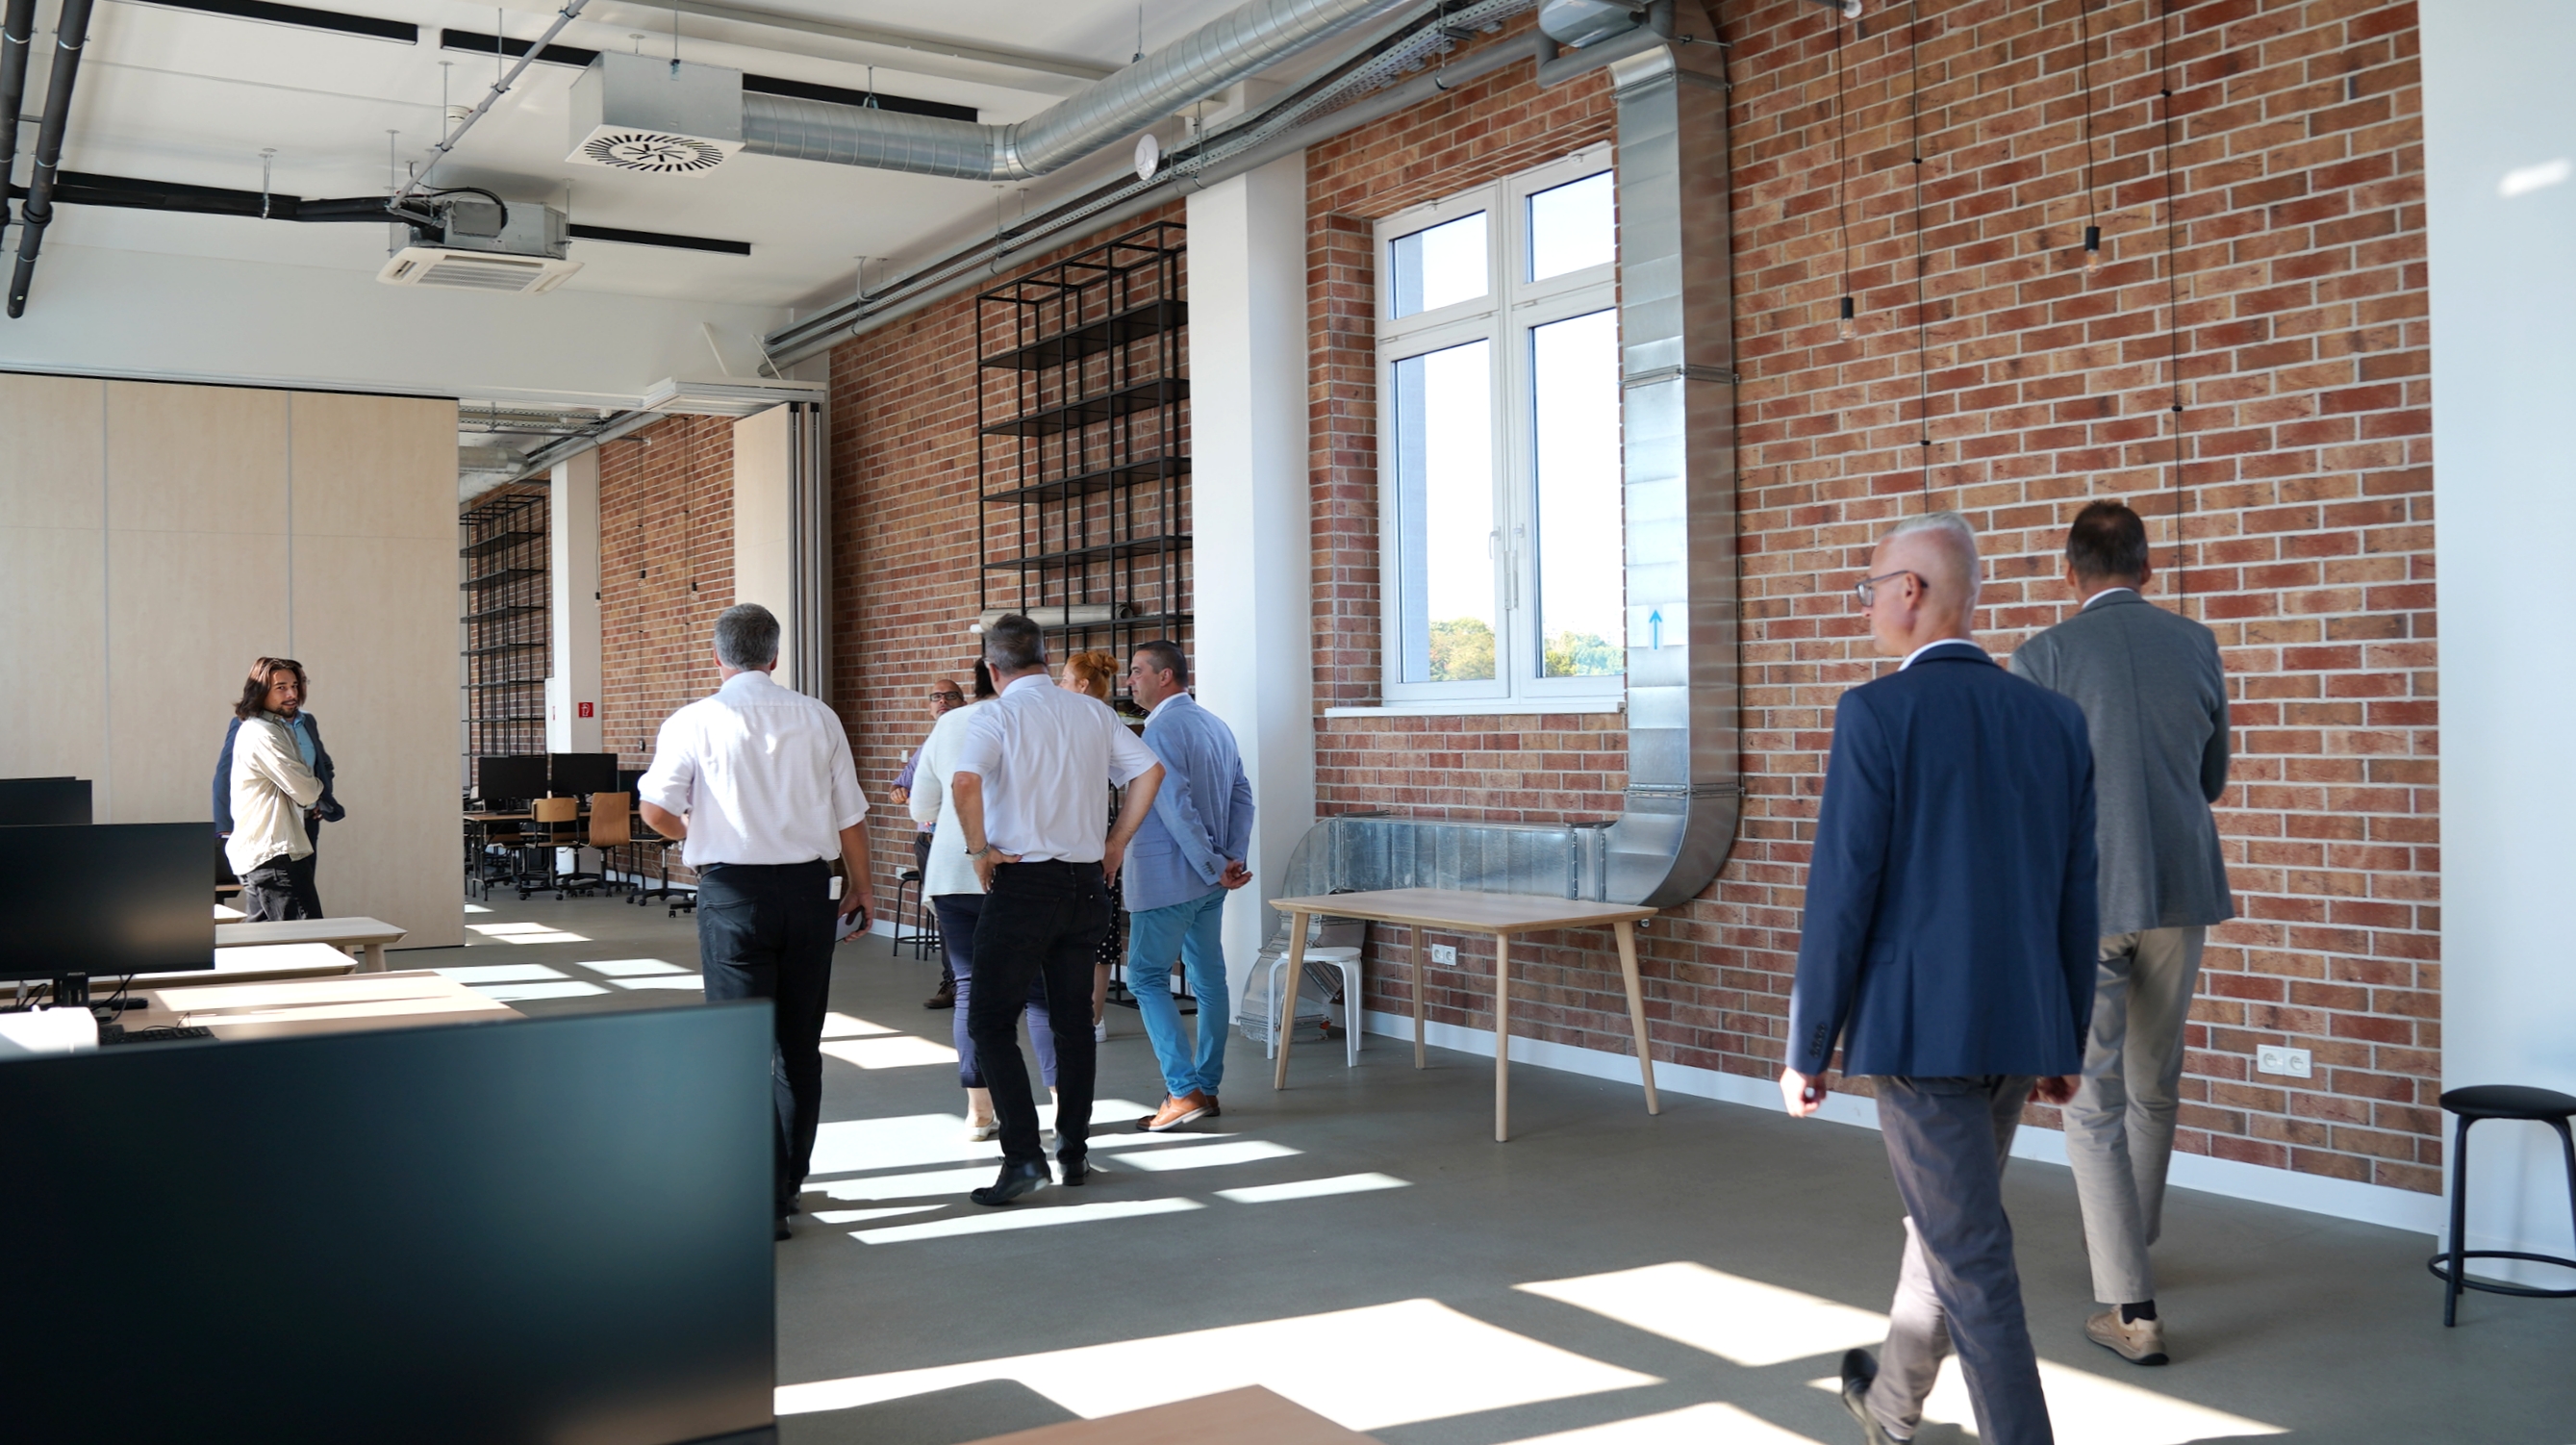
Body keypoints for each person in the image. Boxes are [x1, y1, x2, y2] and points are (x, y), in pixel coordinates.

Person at [1780, 512, 2097, 1445]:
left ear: (1910, 592)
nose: (1866, 604)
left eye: (1872, 586)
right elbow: (2075, 893)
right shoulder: (2053, 719)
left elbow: (1842, 892)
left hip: (1921, 1039)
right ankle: (1886, 1409)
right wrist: (2063, 1036)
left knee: (1973, 1260)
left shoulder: (1875, 713)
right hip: (2018, 1027)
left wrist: (1808, 1046)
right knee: (1946, 1230)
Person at [2008, 500, 2233, 1366]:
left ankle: (2131, 1305)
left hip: (2089, 898)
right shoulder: (2197, 644)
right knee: (2154, 1084)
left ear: (2069, 573)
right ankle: (2130, 1249)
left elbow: (2030, 797)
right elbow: (2211, 779)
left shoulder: (2043, 657)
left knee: (2091, 1096)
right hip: (2181, 888)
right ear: (2148, 567)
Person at [638, 603, 874, 1242]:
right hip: (808, 892)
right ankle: (789, 1181)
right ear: (774, 656)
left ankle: (760, 1197)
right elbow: (850, 815)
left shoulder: (694, 720)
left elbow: (654, 809)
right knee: (799, 1047)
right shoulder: (818, 717)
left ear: (718, 656)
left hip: (733, 894)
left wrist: (695, 831)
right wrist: (863, 886)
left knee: (740, 1049)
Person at [948, 616, 1163, 1206]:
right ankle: (1073, 1151)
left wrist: (978, 851)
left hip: (1024, 885)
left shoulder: (995, 715)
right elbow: (1150, 771)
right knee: (1073, 1023)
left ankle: (1023, 1157)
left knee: (990, 1021)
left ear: (992, 669)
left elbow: (964, 782)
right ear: (1046, 659)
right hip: (1086, 885)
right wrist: (1115, 844)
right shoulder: (1092, 712)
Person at [910, 662, 1060, 1141]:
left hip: (954, 871)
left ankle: (978, 1112)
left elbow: (920, 807)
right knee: (1040, 991)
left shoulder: (949, 724)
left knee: (970, 988)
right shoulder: (1040, 718)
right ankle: (1061, 1106)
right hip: (1022, 867)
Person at [1121, 640, 1255, 1132]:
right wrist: (1230, 859)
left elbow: (1174, 806)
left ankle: (1183, 1090)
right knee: (1209, 981)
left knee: (1145, 978)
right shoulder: (1214, 724)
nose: (1130, 680)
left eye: (1137, 671)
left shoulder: (1160, 729)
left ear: (1165, 676)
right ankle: (1206, 1088)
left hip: (1170, 880)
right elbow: (1242, 795)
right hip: (1211, 880)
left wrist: (1211, 864)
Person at [215, 657, 342, 920]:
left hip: (271, 851)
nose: (292, 694)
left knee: (265, 940)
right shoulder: (263, 733)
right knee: (306, 937)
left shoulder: (277, 727)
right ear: (260, 690)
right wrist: (313, 786)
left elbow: (319, 768)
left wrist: (313, 787)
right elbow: (305, 791)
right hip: (275, 853)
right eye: (281, 687)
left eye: (295, 685)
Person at [1058, 649, 1132, 1043]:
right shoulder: (1107, 720)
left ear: (1082, 684)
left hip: (1073, 827)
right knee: (1099, 925)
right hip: (1097, 824)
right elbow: (1134, 773)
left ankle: (1084, 1017)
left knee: (1082, 926)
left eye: (1064, 679)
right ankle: (1093, 1017)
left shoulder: (1071, 719)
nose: (1059, 685)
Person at [895, 674, 970, 1009]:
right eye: (936, 697)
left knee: (964, 916)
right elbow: (901, 786)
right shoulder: (926, 746)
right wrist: (900, 791)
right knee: (944, 915)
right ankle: (952, 983)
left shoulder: (971, 740)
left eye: (951, 696)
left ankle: (970, 984)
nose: (943, 702)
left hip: (962, 843)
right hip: (929, 842)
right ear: (929, 707)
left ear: (963, 703)